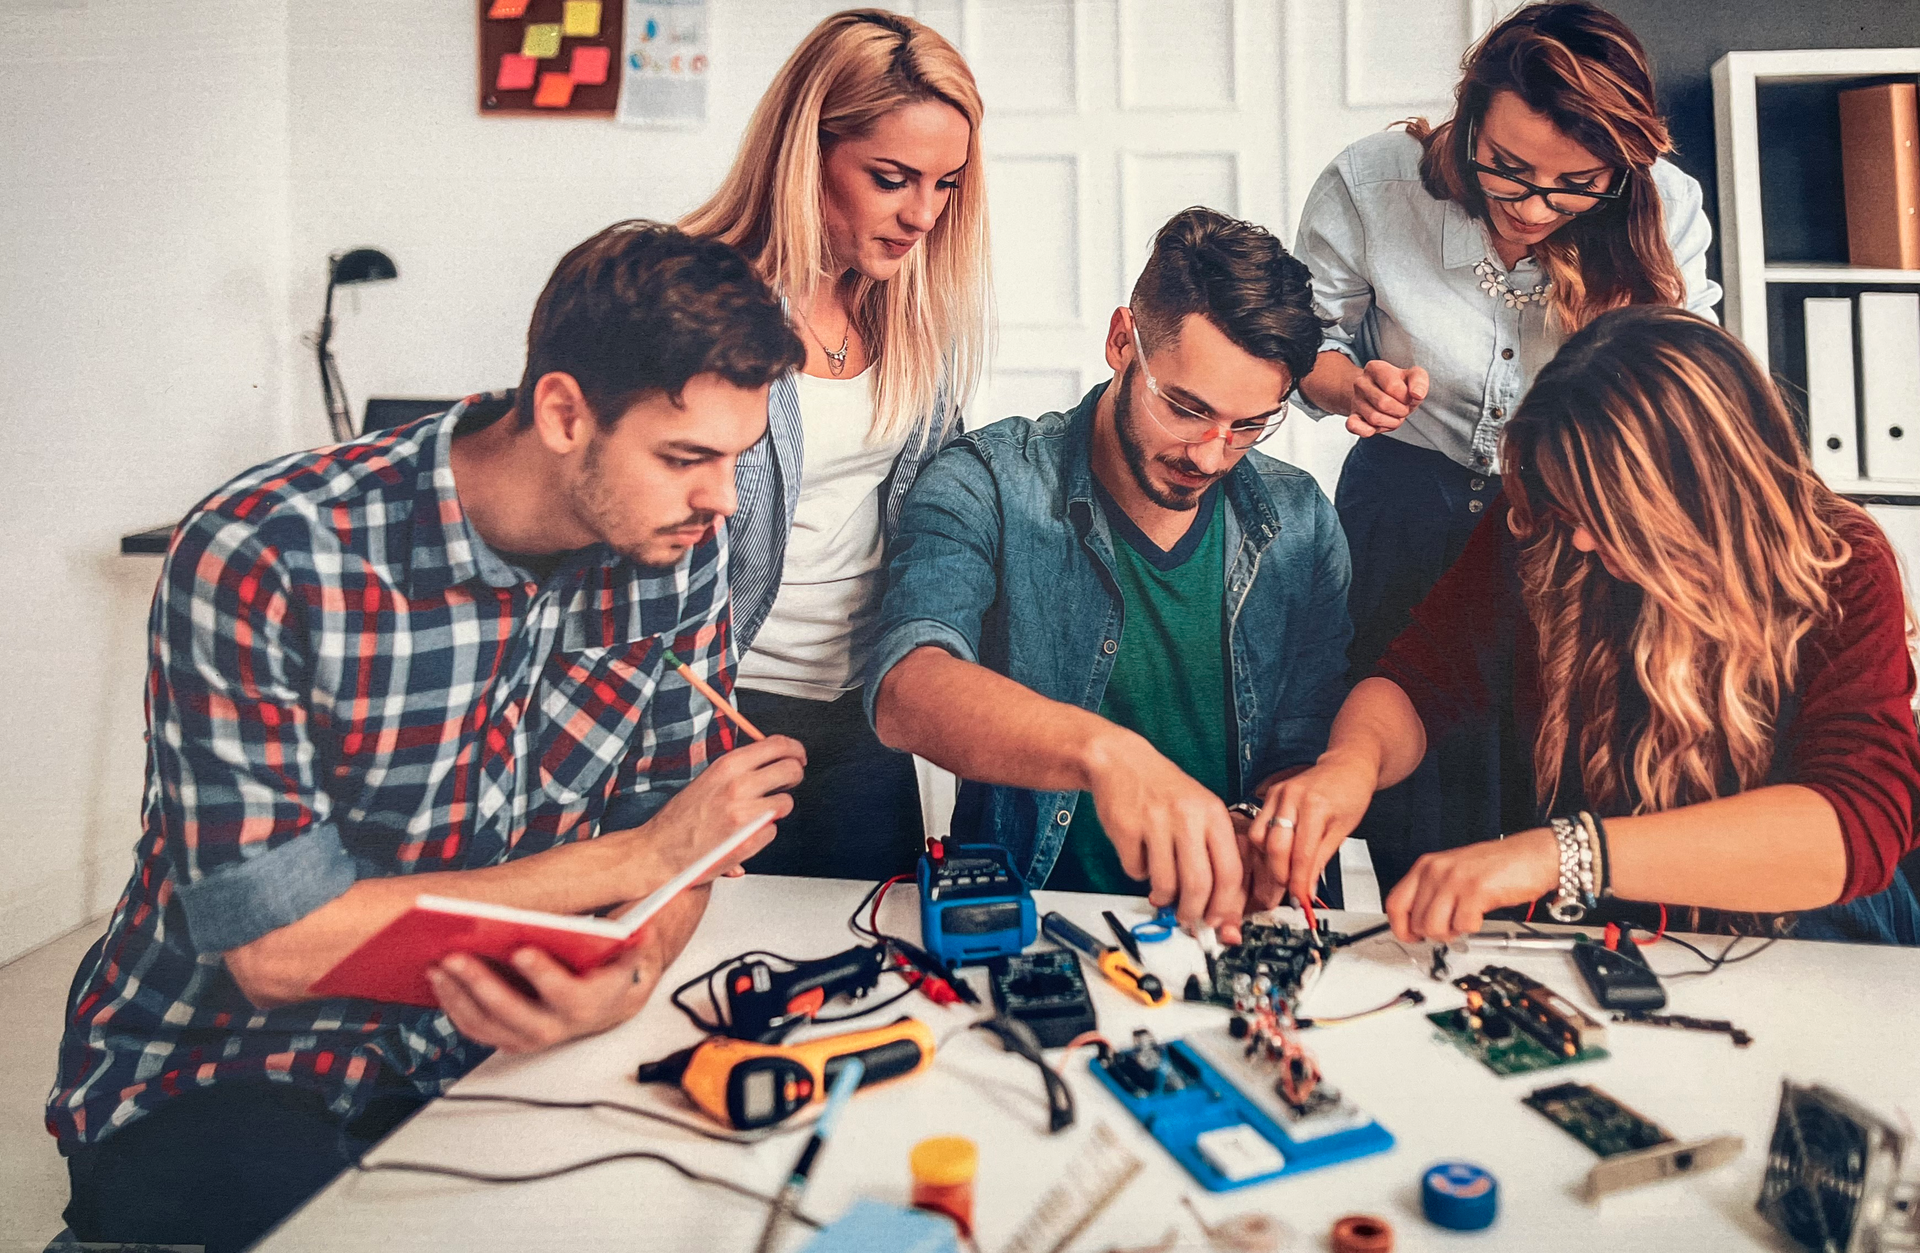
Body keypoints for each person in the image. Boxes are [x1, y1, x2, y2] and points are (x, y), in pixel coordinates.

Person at [45, 222, 811, 1252]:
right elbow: (276, 948)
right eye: (685, 458)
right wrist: (640, 854)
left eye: (734, 459)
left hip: (474, 1057)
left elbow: (676, 866)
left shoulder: (672, 554)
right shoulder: (264, 555)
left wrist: (624, 977)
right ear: (563, 412)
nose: (722, 499)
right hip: (218, 1069)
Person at [1253, 306, 1920, 946]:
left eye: (1612, 516)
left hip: (1810, 940)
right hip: (1617, 933)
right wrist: (1349, 765)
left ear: (1701, 494)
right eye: (1568, 510)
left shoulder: (1838, 562)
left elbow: (1854, 822)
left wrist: (1560, 853)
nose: (1578, 541)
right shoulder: (1550, 522)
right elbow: (1417, 680)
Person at [1289, 1, 1721, 894]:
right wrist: (1350, 386)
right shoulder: (1373, 184)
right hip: (1406, 497)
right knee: (1410, 752)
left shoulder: (1663, 207)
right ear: (1469, 113)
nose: (1532, 206)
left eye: (1573, 186)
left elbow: (1691, 379)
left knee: (1556, 752)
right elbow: (1308, 344)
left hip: (1577, 518)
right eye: (1509, 170)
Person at [868, 207, 1351, 935]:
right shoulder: (987, 482)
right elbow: (908, 685)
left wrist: (1264, 827)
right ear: (1122, 341)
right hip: (1030, 924)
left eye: (1250, 425)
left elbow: (1308, 739)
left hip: (1232, 932)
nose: (1212, 455)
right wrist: (1106, 756)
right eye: (1186, 408)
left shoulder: (1301, 519)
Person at [680, 8, 991, 881]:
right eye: (892, 177)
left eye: (946, 184)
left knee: (876, 958)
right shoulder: (694, 299)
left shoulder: (911, 312)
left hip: (862, 712)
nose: (923, 214)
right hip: (720, 712)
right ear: (805, 152)